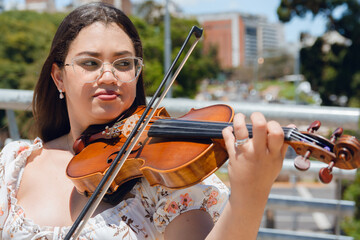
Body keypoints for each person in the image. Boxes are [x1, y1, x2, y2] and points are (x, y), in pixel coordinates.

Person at [0, 2, 290, 239]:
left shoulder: (165, 177)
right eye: (90, 63)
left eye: (124, 63)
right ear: (58, 77)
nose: (109, 76)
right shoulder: (15, 165)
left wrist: (249, 195)